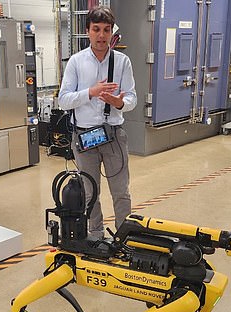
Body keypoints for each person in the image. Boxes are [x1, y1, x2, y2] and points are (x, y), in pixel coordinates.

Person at [58, 6, 137, 239]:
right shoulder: (76, 62)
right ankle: (96, 234)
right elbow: (63, 100)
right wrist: (90, 92)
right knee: (90, 191)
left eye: (106, 30)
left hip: (113, 135)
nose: (101, 35)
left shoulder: (122, 62)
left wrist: (118, 102)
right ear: (87, 32)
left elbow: (131, 97)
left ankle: (125, 237)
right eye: (96, 29)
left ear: (112, 32)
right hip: (84, 137)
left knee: (121, 192)